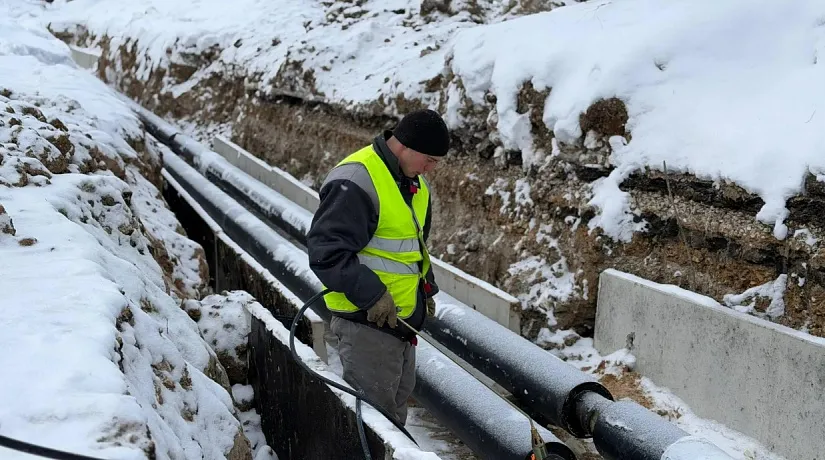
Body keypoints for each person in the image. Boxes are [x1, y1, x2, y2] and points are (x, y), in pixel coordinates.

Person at [306, 108, 449, 426]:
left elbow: (413, 249)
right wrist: (372, 295)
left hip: (399, 325)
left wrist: (426, 289)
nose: (431, 169)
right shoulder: (358, 179)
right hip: (367, 325)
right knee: (375, 424)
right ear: (406, 146)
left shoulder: (415, 184)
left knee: (394, 417)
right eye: (429, 159)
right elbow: (326, 253)